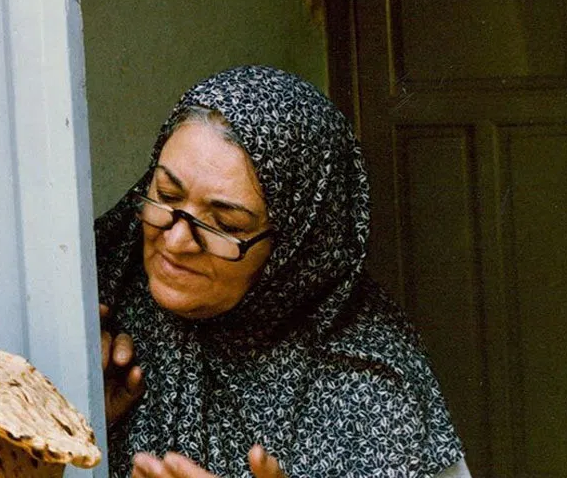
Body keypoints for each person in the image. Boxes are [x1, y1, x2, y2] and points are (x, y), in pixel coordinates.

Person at [97, 66, 469, 478]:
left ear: (296, 249)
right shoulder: (106, 309)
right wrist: (88, 421)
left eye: (226, 226)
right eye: (166, 195)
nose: (177, 241)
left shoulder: (369, 386)